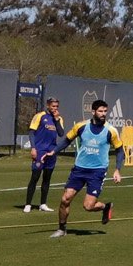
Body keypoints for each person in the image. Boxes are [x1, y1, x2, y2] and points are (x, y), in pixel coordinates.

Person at [50, 99, 125, 238]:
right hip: (79, 169)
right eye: (100, 111)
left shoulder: (111, 131)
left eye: (105, 111)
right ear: (93, 112)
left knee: (88, 206)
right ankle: (61, 229)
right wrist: (53, 152)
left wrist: (117, 169)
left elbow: (120, 151)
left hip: (97, 172)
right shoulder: (81, 126)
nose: (103, 114)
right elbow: (67, 140)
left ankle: (105, 206)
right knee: (65, 199)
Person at [24, 97, 65, 213]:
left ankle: (43, 204)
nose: (55, 108)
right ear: (48, 106)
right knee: (35, 177)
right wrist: (33, 148)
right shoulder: (40, 116)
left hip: (51, 151)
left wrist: (57, 120)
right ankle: (28, 204)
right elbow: (31, 132)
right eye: (53, 106)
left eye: (56, 106)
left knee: (47, 178)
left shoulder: (59, 118)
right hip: (40, 151)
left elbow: (61, 133)